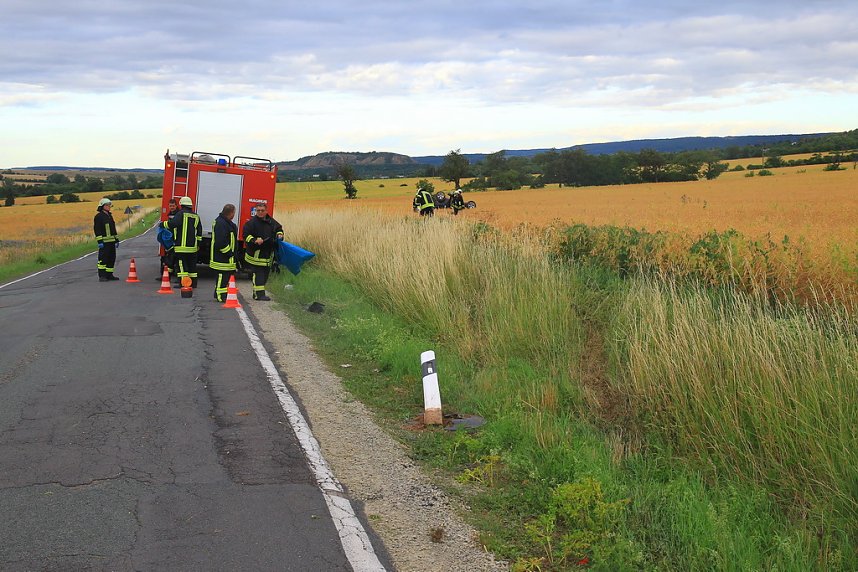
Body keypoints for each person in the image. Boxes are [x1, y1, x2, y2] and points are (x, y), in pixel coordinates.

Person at [241, 202, 283, 301]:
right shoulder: (251, 223)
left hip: (267, 254)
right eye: (258, 210)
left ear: (266, 211)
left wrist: (280, 234)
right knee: (258, 274)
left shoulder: (271, 221)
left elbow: (279, 229)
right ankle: (258, 295)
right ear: (255, 211)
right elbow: (246, 236)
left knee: (265, 275)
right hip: (255, 255)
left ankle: (259, 293)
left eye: (262, 210)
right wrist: (254, 240)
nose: (260, 212)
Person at [163, 196, 201, 287]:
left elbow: (172, 224)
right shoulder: (196, 216)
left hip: (181, 247)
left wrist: (163, 224)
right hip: (192, 248)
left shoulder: (180, 214)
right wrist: (198, 244)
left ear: (182, 205)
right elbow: (199, 232)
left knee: (182, 266)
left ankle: (184, 284)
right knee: (192, 266)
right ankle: (193, 283)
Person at [210, 203, 238, 302]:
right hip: (222, 258)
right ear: (231, 213)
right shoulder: (221, 223)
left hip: (224, 257)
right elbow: (220, 242)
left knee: (223, 278)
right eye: (234, 213)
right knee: (222, 277)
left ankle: (219, 293)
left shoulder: (224, 222)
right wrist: (230, 253)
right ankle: (220, 296)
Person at [94, 197, 120, 281]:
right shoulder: (99, 216)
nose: (109, 206)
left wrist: (116, 240)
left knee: (111, 258)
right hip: (104, 242)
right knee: (103, 259)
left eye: (110, 205)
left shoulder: (109, 216)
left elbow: (113, 229)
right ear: (102, 206)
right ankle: (102, 276)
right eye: (107, 205)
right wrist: (100, 241)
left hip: (112, 241)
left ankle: (109, 274)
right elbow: (97, 229)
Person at [158, 198, 179, 280]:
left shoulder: (177, 214)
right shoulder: (170, 213)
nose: (172, 207)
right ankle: (166, 277)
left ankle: (174, 278)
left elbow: (172, 225)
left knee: (174, 260)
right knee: (168, 259)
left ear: (176, 206)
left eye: (173, 206)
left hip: (176, 240)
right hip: (170, 240)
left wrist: (163, 225)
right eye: (170, 206)